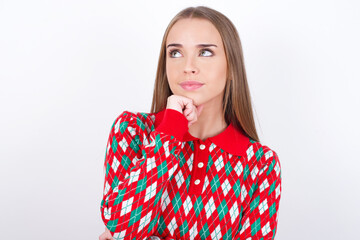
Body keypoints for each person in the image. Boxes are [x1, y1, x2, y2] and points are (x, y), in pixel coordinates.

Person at [99, 5, 282, 240]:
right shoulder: (132, 131)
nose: (187, 67)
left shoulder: (260, 165)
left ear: (231, 68)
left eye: (205, 52)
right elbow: (122, 227)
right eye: (175, 53)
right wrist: (170, 131)